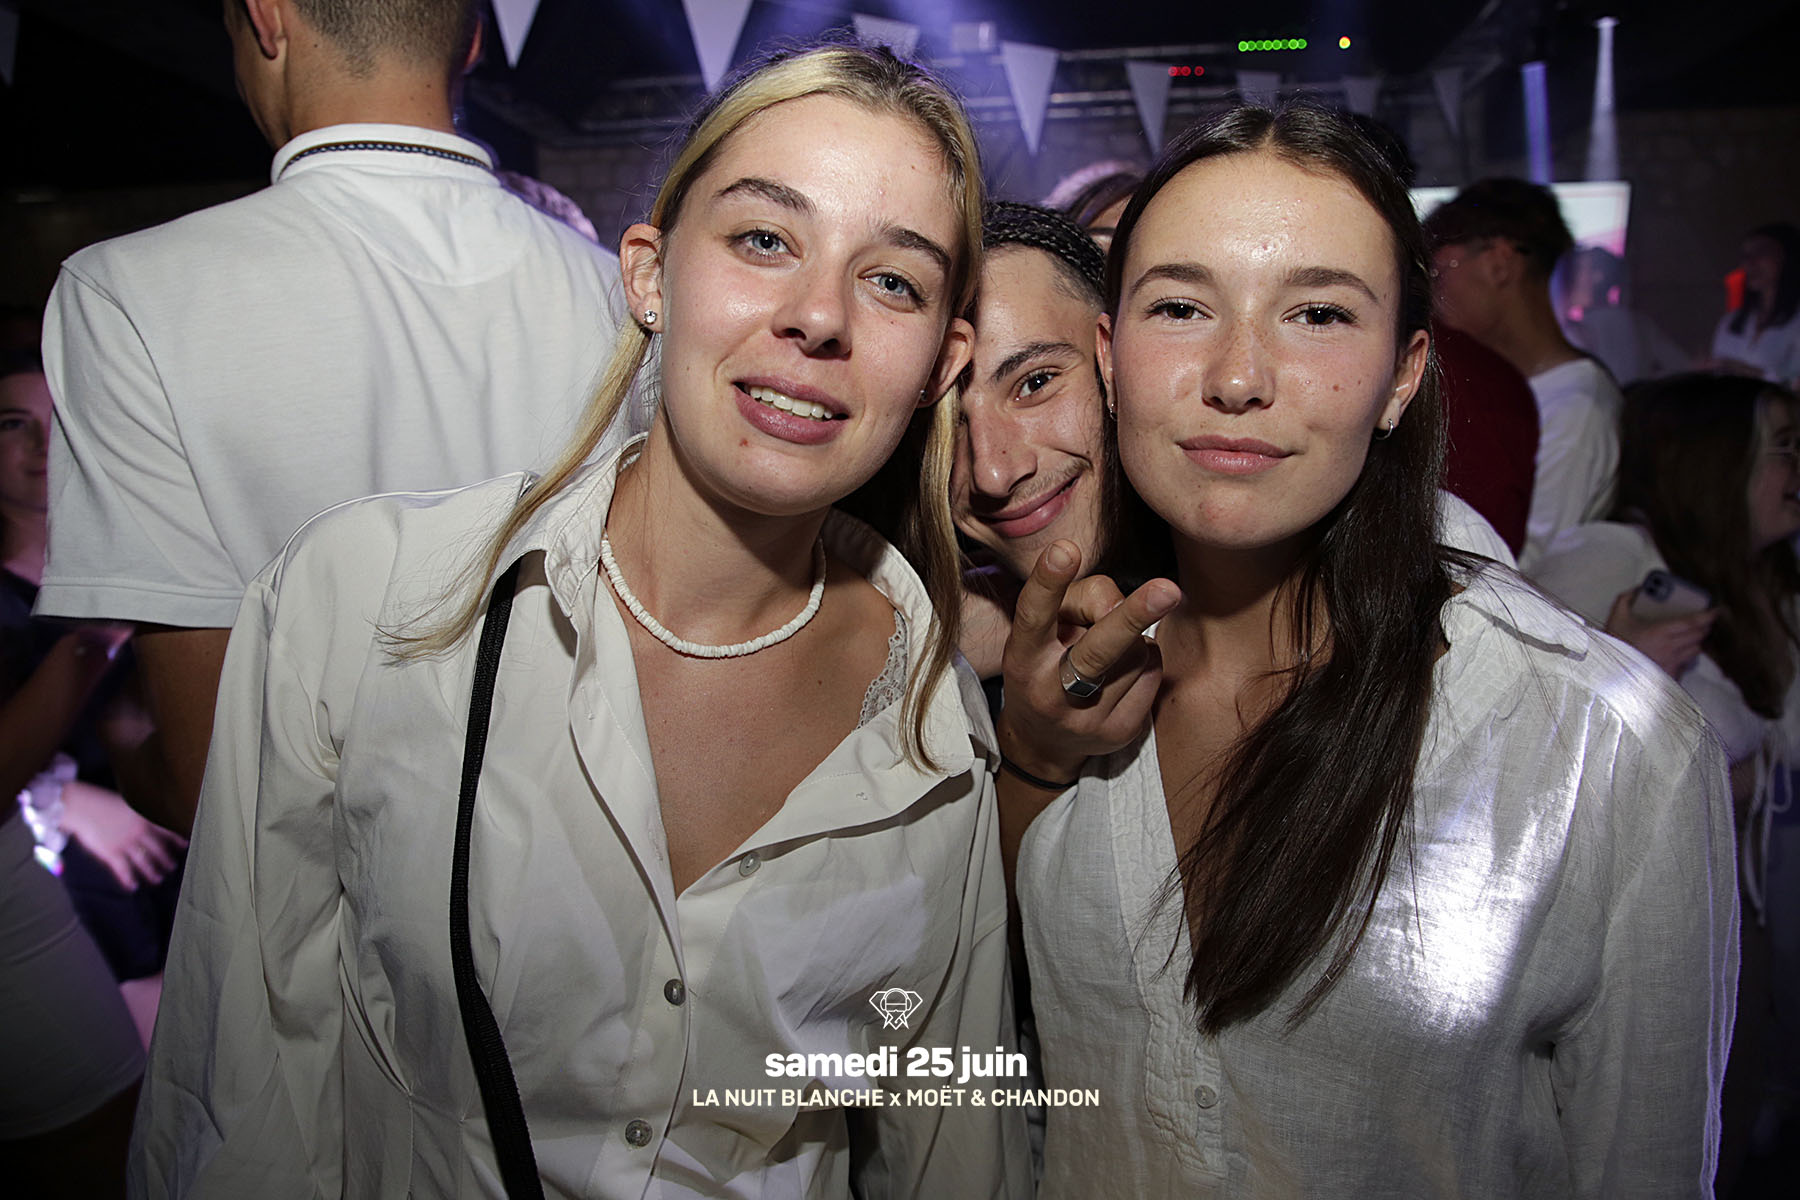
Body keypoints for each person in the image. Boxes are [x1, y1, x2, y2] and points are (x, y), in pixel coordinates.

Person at [133, 43, 1030, 1198]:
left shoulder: (934, 727)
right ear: (651, 276)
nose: (819, 316)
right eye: (765, 239)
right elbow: (243, 1104)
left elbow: (950, 1154)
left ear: (942, 361)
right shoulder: (362, 603)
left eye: (893, 282)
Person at [994, 105, 1735, 1196]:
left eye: (1319, 314)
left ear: (1401, 375)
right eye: (1182, 306)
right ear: (1111, 356)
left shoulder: (1605, 749)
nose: (1238, 376)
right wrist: (1030, 757)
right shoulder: (1054, 681)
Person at [37, 0, 627, 834]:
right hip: (582, 872)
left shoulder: (129, 296)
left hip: (310, 911)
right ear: (472, 41)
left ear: (266, 19)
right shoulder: (625, 300)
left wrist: (127, 748)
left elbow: (214, 788)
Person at [951, 202, 1515, 677]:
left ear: (1115, 359)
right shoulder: (938, 636)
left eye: (1037, 383)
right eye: (944, 422)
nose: (993, 472)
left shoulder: (1436, 565)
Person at [1528, 373, 1800, 1191]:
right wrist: (1629, 667)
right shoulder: (1608, 557)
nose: (1798, 469)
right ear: (1716, 461)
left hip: (1728, 911)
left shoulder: (1763, 581)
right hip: (1621, 928)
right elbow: (1538, 741)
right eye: (1783, 447)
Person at [0, 353, 153, 1195]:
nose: (40, 446)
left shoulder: (140, 555)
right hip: (88, 895)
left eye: (57, 423)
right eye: (12, 425)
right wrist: (62, 795)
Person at [1424, 178, 1624, 569]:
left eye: (1439, 273)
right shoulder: (1508, 389)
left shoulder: (1577, 406)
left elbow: (1525, 569)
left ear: (1499, 263)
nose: (1433, 295)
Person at [1710, 222, 1800, 389]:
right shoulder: (1730, 322)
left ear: (1786, 257)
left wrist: (1754, 374)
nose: (1749, 263)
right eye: (1745, 256)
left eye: (1761, 252)